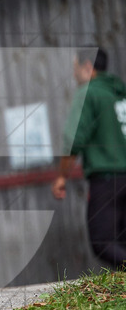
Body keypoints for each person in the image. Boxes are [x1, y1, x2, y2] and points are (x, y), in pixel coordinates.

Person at [52, 48, 126, 267]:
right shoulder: (119, 93)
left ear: (87, 67)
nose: (75, 76)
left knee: (103, 242)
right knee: (122, 241)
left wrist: (61, 177)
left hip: (107, 179)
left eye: (76, 69)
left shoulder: (89, 93)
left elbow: (73, 138)